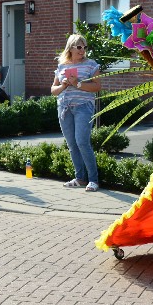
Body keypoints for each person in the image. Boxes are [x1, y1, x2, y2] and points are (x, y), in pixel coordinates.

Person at [51, 34, 100, 191]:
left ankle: (93, 180)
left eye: (84, 47)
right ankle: (80, 178)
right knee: (72, 144)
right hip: (64, 108)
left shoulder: (91, 65)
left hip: (83, 107)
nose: (82, 50)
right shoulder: (61, 66)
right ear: (70, 48)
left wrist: (77, 84)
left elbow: (97, 86)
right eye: (79, 47)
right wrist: (64, 85)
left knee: (82, 142)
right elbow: (53, 90)